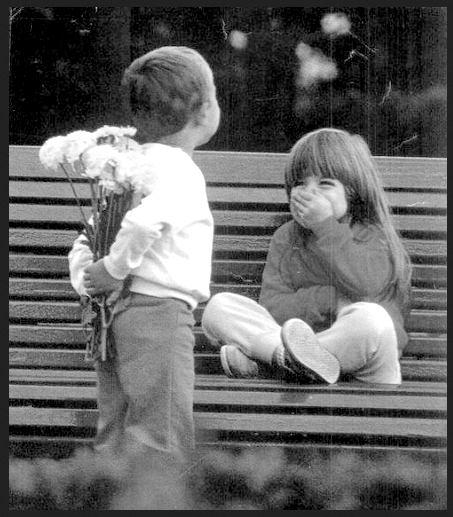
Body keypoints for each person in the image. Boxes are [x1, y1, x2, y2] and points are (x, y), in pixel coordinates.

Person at [68, 46, 221, 466]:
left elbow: (89, 237)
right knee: (161, 428)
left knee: (115, 425)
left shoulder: (129, 167)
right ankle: (159, 496)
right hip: (160, 314)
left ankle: (107, 489)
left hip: (113, 315)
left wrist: (90, 279)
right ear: (204, 112)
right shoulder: (182, 172)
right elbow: (141, 225)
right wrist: (114, 269)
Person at [202, 128, 412, 385]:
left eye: (325, 184)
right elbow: (273, 308)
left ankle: (276, 363)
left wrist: (325, 226)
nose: (309, 193)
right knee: (219, 307)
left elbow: (366, 285)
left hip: (366, 370)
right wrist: (329, 300)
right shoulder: (286, 237)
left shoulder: (372, 234)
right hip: (297, 351)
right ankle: (290, 359)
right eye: (300, 183)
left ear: (352, 191)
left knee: (373, 319)